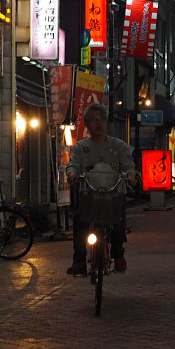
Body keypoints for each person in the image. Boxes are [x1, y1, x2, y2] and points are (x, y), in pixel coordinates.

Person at [64, 103, 135, 276]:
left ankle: (118, 254)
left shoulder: (119, 146)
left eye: (101, 119)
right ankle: (79, 261)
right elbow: (73, 165)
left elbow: (128, 165)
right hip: (89, 196)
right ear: (87, 124)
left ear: (106, 122)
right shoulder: (81, 148)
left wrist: (131, 175)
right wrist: (72, 174)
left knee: (117, 223)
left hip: (113, 195)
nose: (98, 123)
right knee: (80, 224)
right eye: (93, 120)